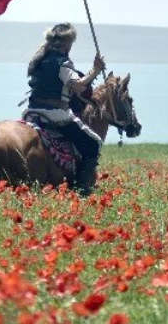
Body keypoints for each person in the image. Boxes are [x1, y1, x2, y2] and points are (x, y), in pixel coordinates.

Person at [24, 22, 106, 195]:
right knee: (94, 143)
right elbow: (78, 87)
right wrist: (96, 70)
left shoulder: (38, 60)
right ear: (67, 43)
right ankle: (82, 188)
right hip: (56, 114)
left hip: (32, 111)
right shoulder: (63, 63)